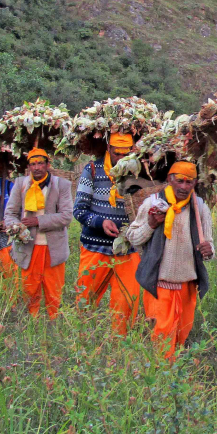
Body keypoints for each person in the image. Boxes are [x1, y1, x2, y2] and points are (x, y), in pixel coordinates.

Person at [125, 161, 214, 360]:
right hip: (160, 283)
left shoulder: (199, 208)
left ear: (195, 183)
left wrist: (209, 251)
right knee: (162, 339)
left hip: (188, 284)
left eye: (189, 182)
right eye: (180, 181)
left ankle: (172, 381)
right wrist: (150, 224)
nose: (184, 187)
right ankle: (161, 380)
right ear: (169, 179)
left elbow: (209, 246)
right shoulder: (153, 204)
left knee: (181, 334)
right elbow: (133, 238)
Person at [74, 132, 147, 334]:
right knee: (85, 300)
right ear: (108, 148)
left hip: (129, 250)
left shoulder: (140, 172)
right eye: (117, 153)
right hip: (95, 247)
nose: (121, 158)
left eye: (126, 153)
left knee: (126, 303)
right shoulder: (92, 170)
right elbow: (79, 210)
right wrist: (101, 222)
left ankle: (119, 347)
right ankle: (82, 343)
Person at [4, 148, 74, 319]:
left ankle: (54, 322)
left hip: (53, 247)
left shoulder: (61, 185)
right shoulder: (21, 184)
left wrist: (38, 221)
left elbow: (66, 217)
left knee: (54, 290)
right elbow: (10, 214)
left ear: (48, 164)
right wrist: (16, 227)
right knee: (29, 288)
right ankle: (31, 322)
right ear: (29, 166)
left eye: (40, 163)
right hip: (28, 246)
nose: (37, 168)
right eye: (33, 164)